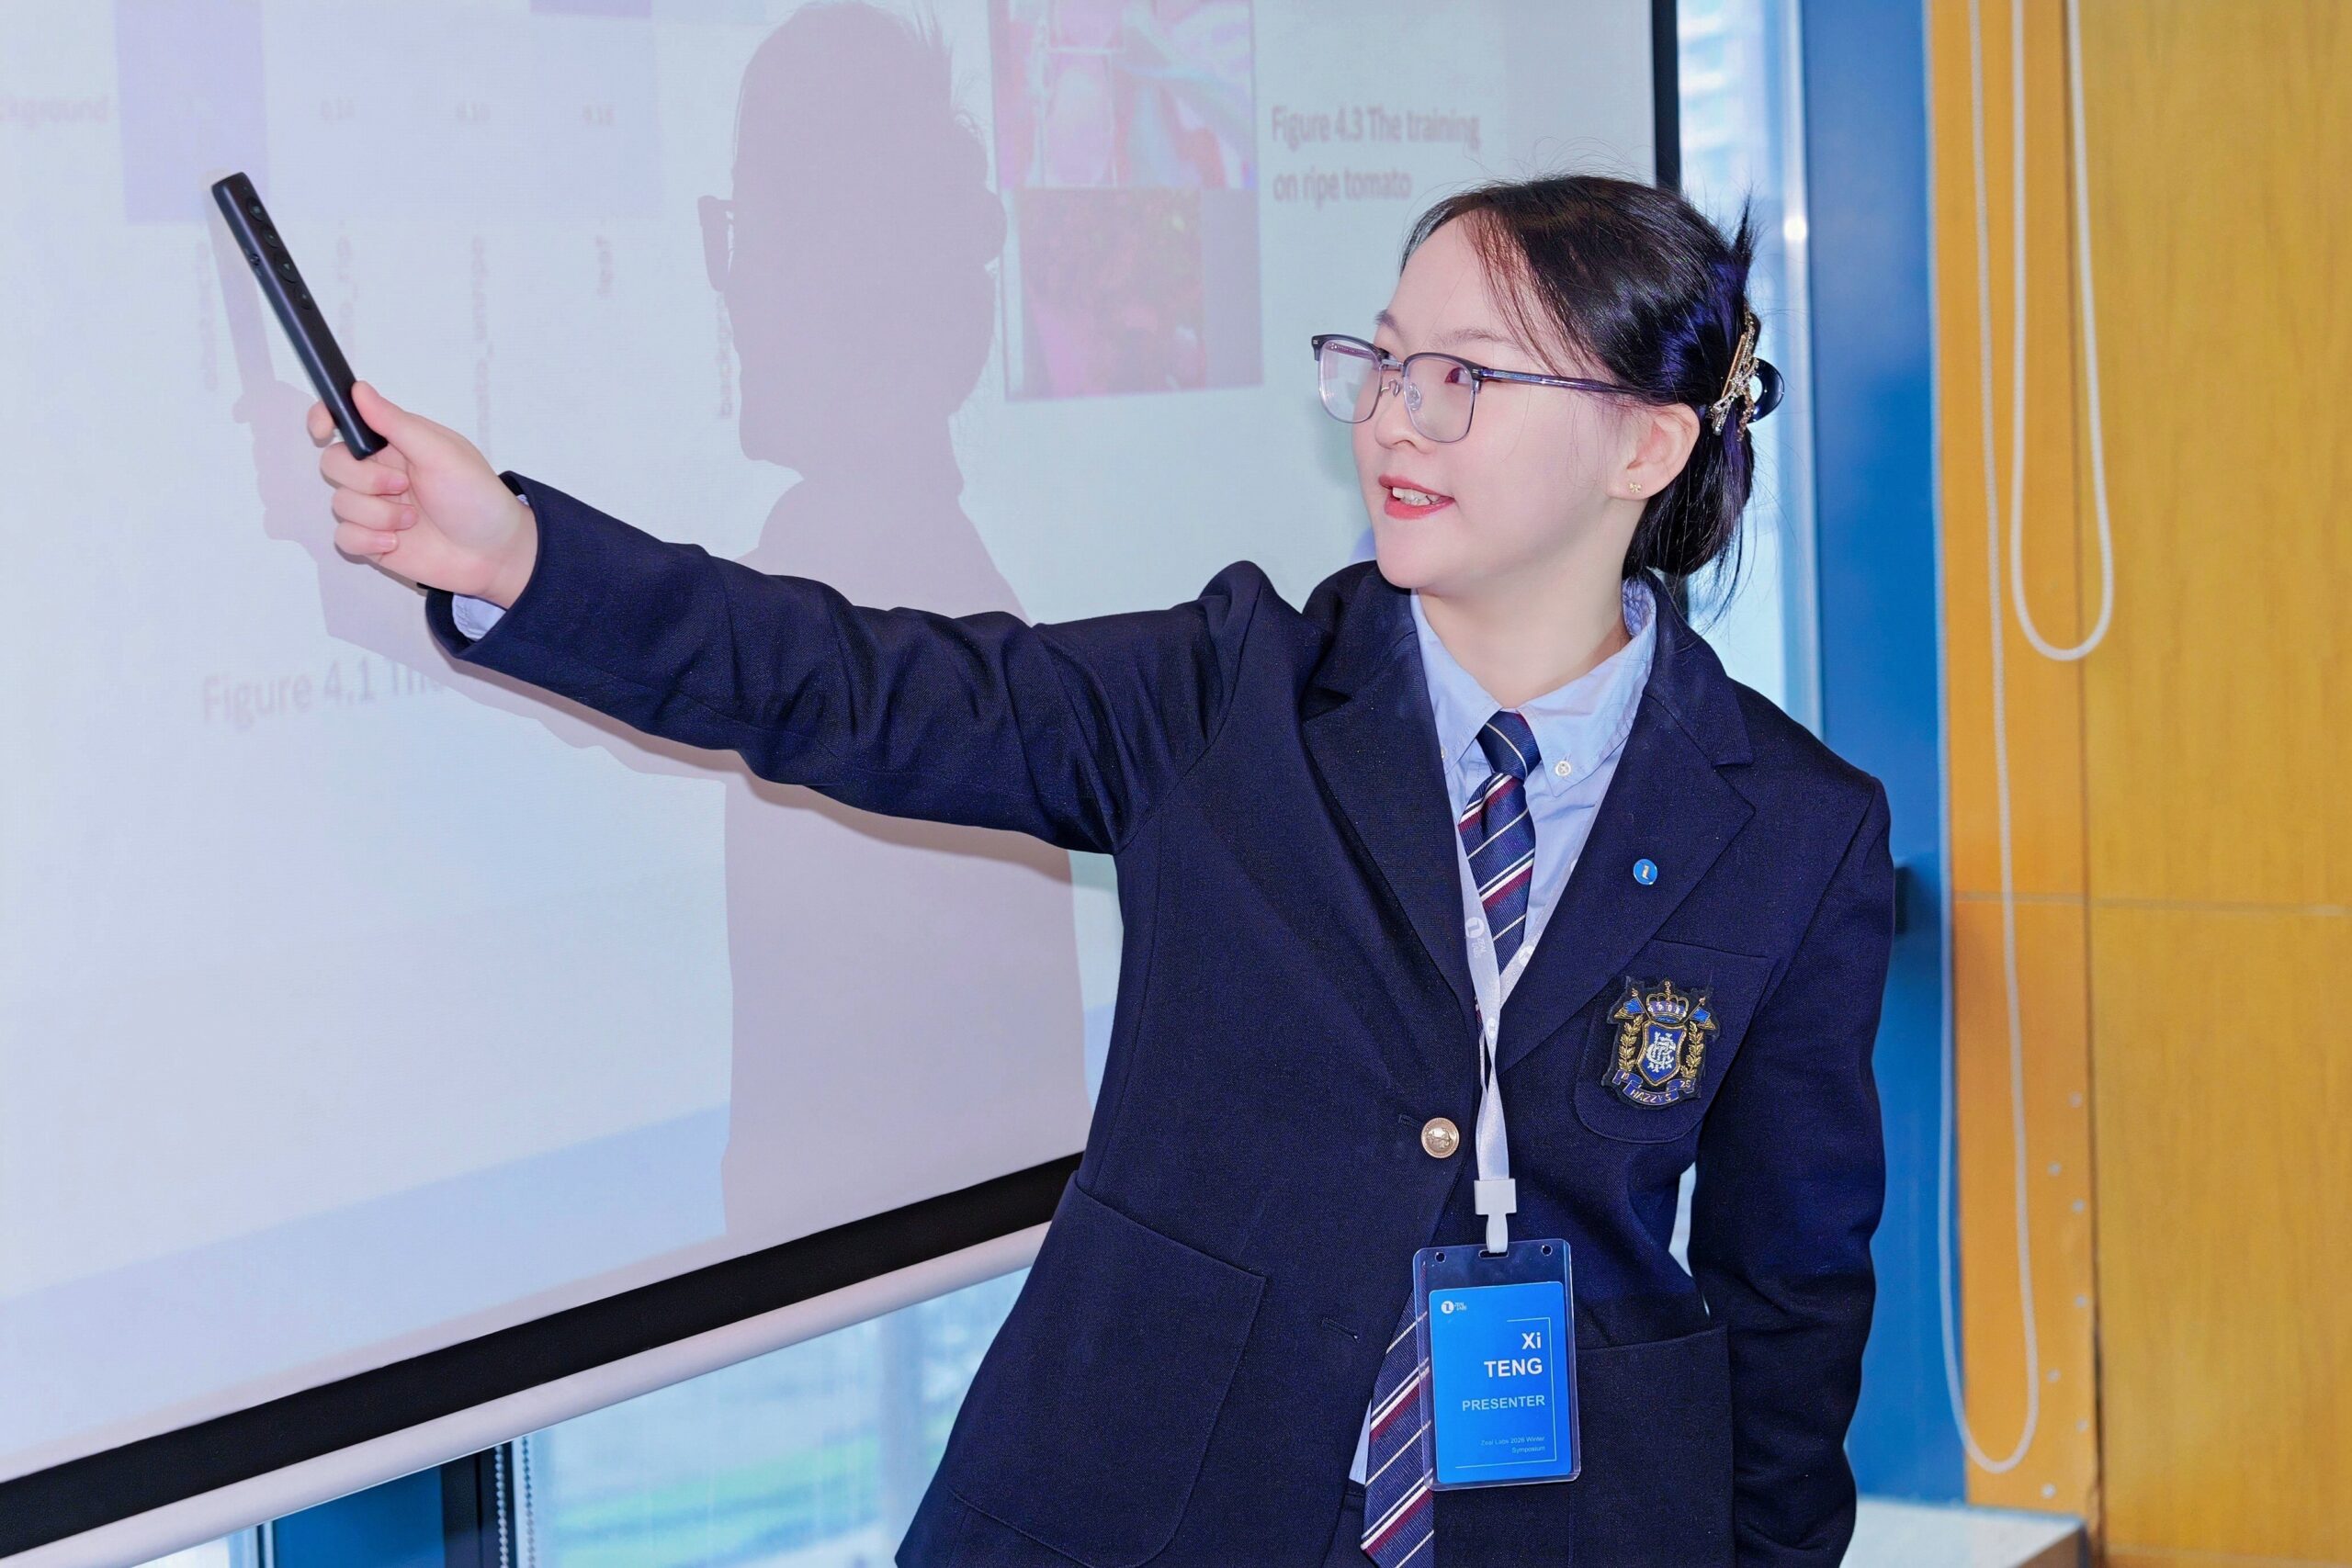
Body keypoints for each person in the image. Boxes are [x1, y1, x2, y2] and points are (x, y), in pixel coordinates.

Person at [310, 172, 1893, 1567]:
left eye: (1465, 376)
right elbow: (857, 686)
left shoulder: (1793, 828)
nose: (1393, 419)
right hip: (1149, 1499)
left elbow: (1791, 1292)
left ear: (1646, 443)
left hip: (1570, 1522)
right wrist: (521, 558)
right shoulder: (1232, 695)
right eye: (1383, 361)